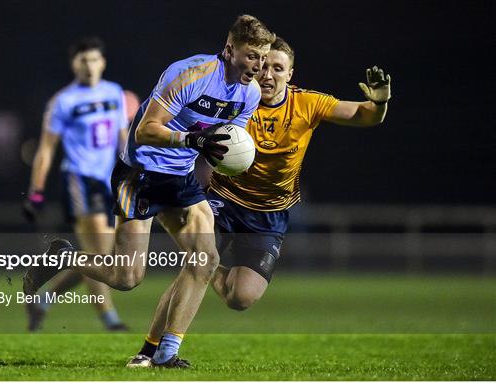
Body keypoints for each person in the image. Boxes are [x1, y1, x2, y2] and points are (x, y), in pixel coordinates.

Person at [23, 15, 275, 367]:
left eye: (263, 58)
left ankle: (164, 354)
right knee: (126, 278)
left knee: (205, 260)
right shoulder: (191, 75)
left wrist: (217, 172)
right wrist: (191, 139)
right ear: (229, 49)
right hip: (140, 174)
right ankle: (63, 256)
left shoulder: (249, 94)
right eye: (251, 56)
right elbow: (145, 130)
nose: (258, 66)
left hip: (180, 178)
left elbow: (227, 146)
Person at [130, 36, 391, 365]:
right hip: (223, 201)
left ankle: (207, 267)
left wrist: (379, 103)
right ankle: (150, 351)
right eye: (264, 66)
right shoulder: (238, 98)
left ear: (290, 74)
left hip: (270, 214)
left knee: (240, 297)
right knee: (197, 265)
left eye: (277, 68)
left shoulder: (307, 104)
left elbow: (362, 115)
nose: (268, 74)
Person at [22, 36, 129, 331]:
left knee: (102, 257)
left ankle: (43, 299)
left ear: (103, 62)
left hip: (111, 181)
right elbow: (46, 149)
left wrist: (133, 173)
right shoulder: (63, 101)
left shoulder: (115, 92)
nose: (90, 66)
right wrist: (36, 192)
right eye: (84, 61)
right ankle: (111, 320)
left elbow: (123, 138)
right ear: (74, 65)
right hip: (80, 180)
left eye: (94, 60)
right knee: (99, 255)